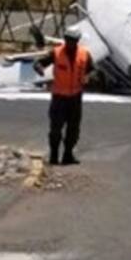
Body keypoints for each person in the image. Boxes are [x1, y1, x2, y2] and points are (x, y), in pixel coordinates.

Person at [34, 27, 94, 165]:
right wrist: (40, 70)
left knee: (73, 129)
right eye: (68, 39)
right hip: (59, 97)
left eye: (73, 40)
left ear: (77, 40)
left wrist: (88, 76)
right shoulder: (56, 53)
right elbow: (38, 63)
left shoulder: (84, 54)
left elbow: (93, 69)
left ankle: (68, 154)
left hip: (75, 97)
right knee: (56, 128)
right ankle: (54, 155)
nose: (70, 43)